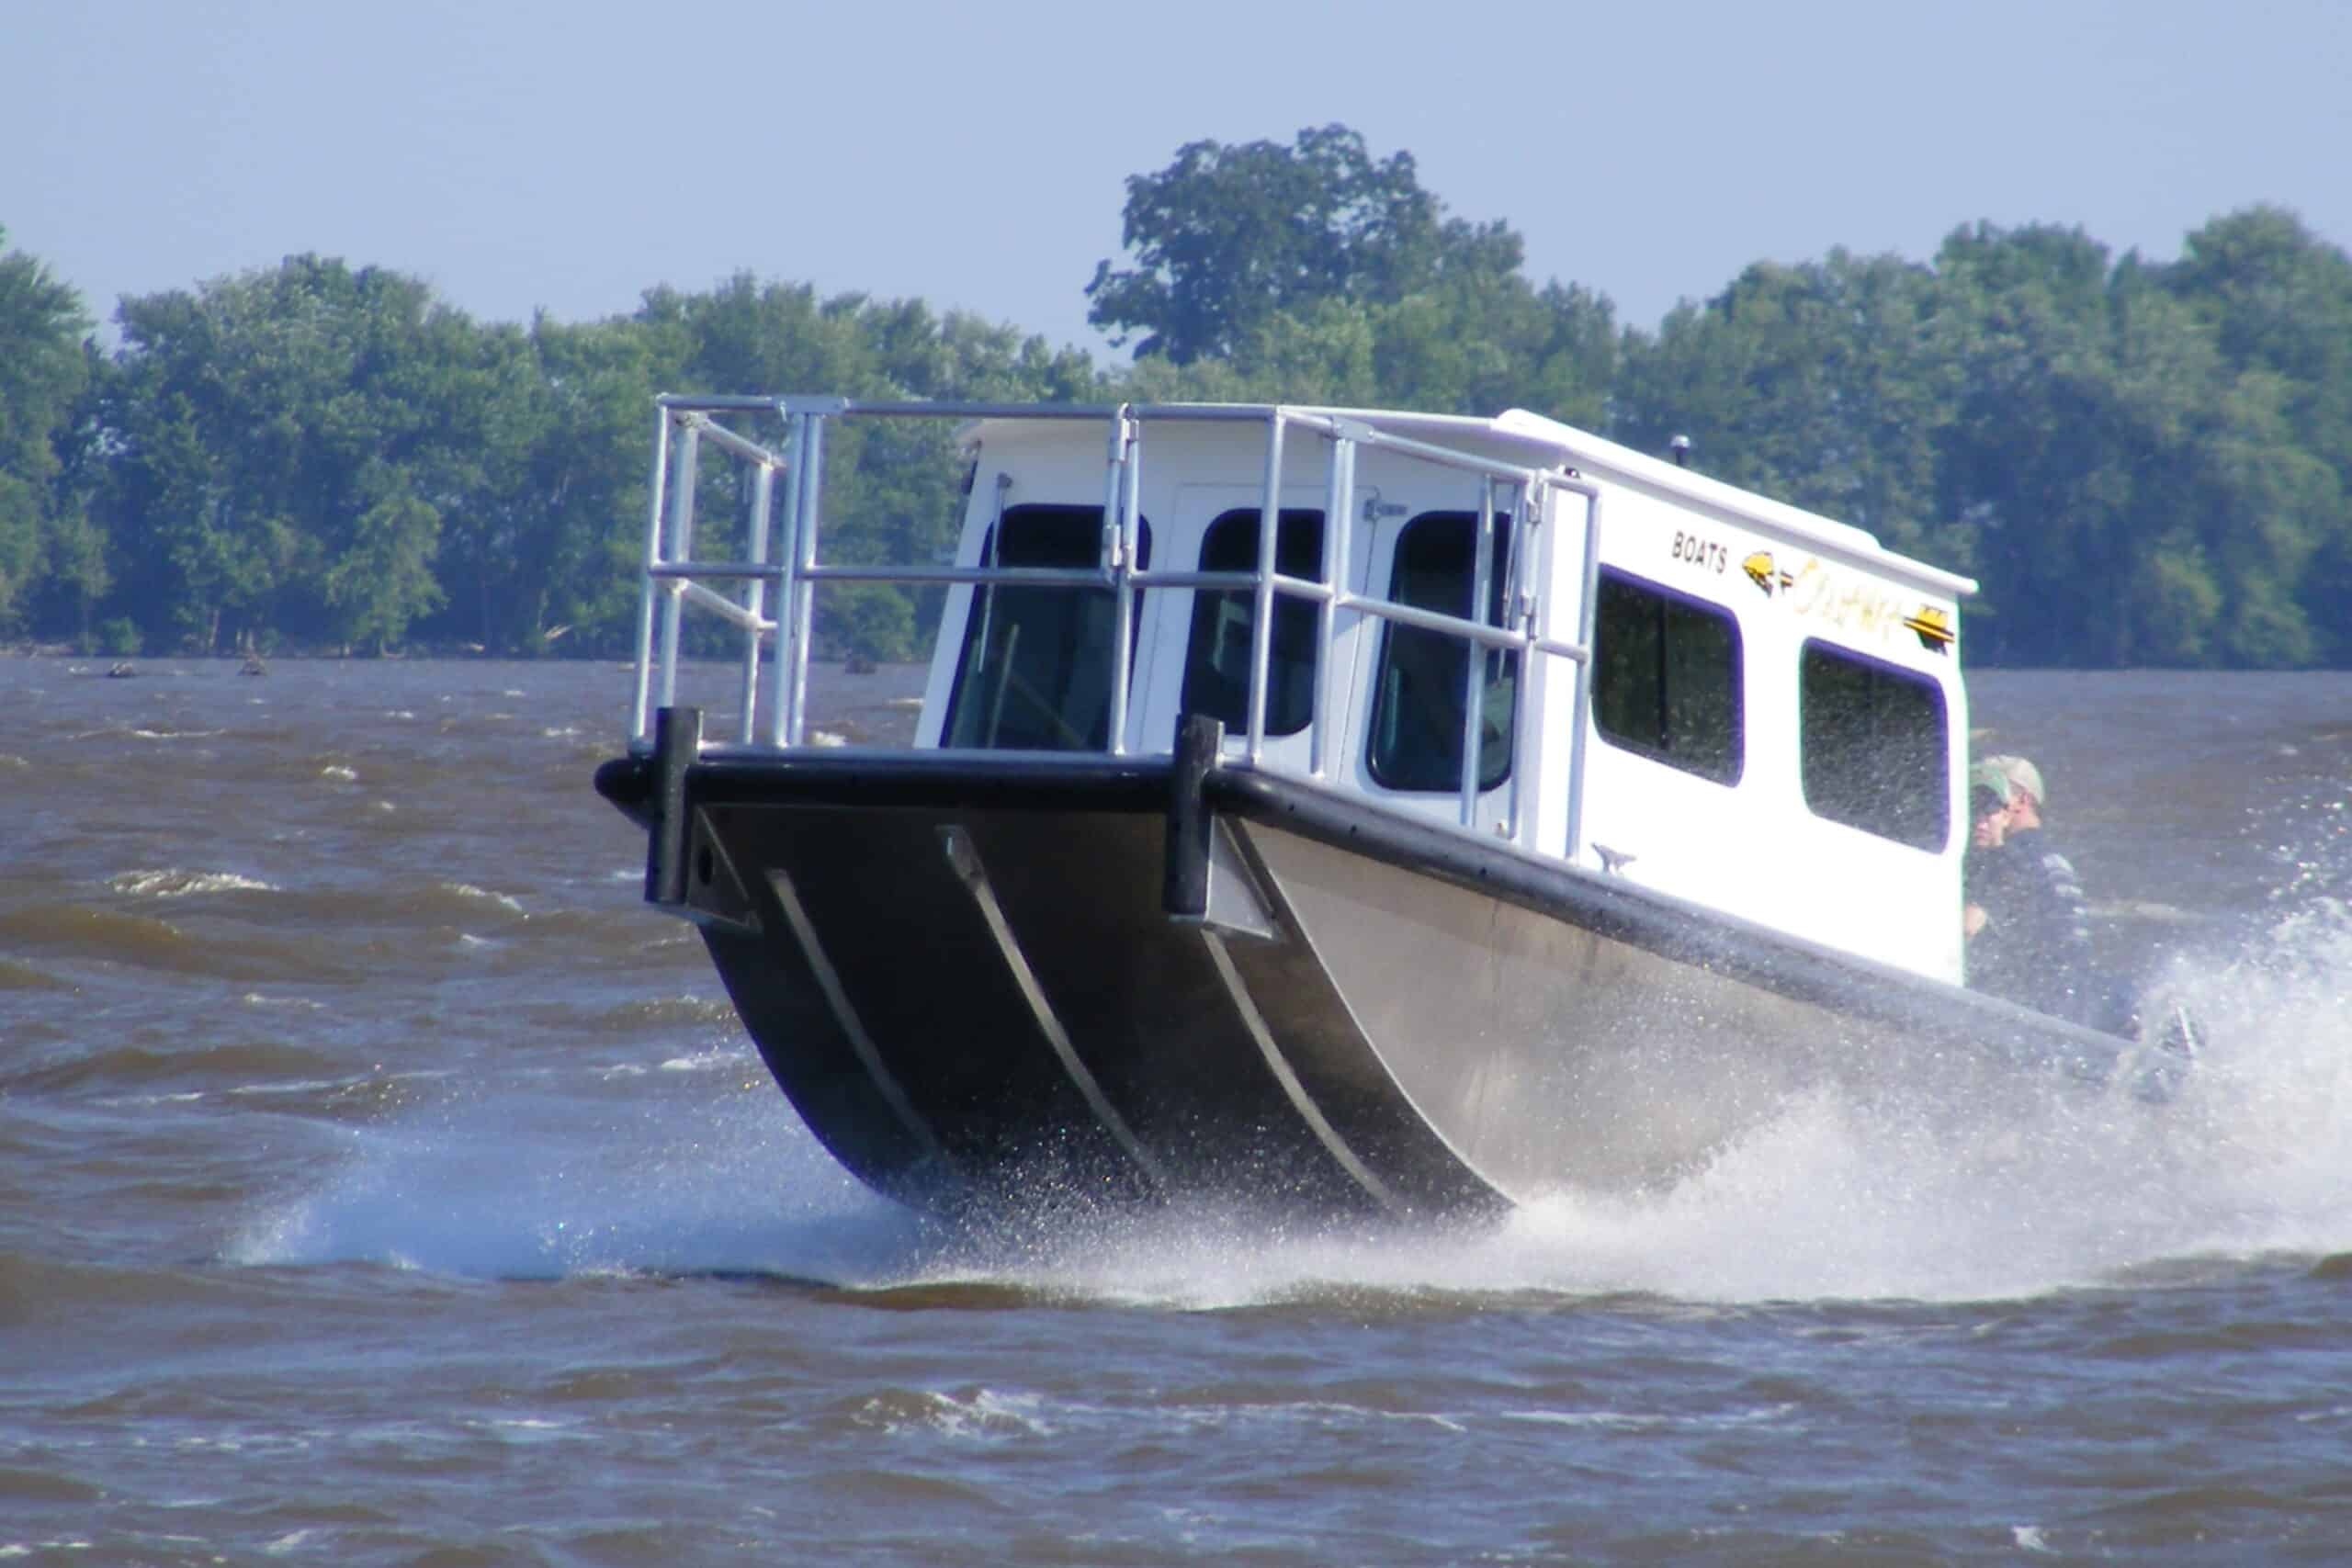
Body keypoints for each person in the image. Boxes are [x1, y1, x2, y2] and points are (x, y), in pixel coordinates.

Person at [1962, 753, 2103, 1025]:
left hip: (2036, 1000)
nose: (1975, 811)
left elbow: (1969, 925)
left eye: (1988, 801)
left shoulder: (2009, 855)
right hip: (2073, 993)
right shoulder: (2054, 858)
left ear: (2020, 802)